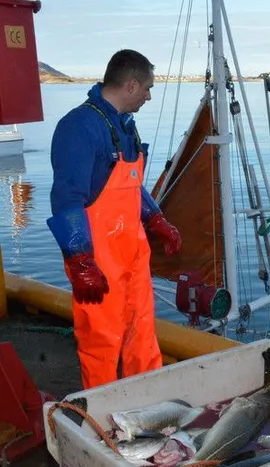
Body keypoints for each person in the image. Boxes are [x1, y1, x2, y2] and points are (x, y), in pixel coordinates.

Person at [46, 49, 182, 390]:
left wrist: (155, 219)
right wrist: (80, 260)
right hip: (98, 257)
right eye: (148, 88)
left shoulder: (125, 127)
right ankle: (104, 415)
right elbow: (66, 197)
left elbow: (130, 185)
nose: (149, 96)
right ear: (131, 85)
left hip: (132, 253)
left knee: (142, 331)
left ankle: (146, 402)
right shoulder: (78, 127)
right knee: (101, 341)